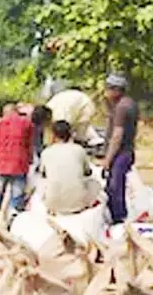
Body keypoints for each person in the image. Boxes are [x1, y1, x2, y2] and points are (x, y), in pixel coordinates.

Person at [101, 73, 138, 224]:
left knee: (115, 187)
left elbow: (117, 136)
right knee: (116, 184)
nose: (106, 92)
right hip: (126, 151)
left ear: (117, 90)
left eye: (109, 89)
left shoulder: (122, 108)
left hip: (121, 153)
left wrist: (107, 160)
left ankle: (118, 219)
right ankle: (116, 216)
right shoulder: (128, 103)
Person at [39, 120, 98, 215]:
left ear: (53, 135)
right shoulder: (79, 149)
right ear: (70, 134)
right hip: (79, 203)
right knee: (94, 183)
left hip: (52, 203)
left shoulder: (46, 152)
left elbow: (43, 174)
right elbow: (88, 172)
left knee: (43, 182)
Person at [0, 102, 34, 225]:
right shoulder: (26, 124)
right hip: (20, 164)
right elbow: (29, 144)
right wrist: (30, 159)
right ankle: (11, 222)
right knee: (16, 196)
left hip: (2, 164)